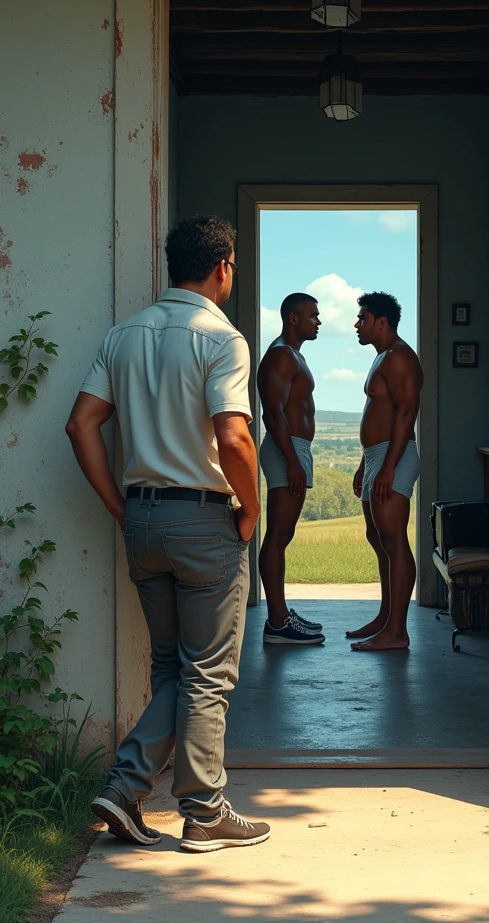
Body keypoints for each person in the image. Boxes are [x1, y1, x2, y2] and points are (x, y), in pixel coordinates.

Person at [65, 214, 271, 854]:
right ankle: (199, 810)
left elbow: (81, 425)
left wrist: (119, 506)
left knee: (171, 666)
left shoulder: (123, 335)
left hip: (144, 519)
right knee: (207, 672)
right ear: (224, 267)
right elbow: (234, 436)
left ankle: (129, 792)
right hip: (203, 519)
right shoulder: (222, 338)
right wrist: (251, 507)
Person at [346, 292, 423, 651]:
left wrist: (389, 466)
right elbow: (384, 414)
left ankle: (397, 632)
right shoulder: (382, 357)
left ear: (382, 322)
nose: (357, 325)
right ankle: (385, 618)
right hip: (378, 457)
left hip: (396, 458)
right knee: (378, 541)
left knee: (394, 541)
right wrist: (367, 463)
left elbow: (407, 413)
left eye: (362, 318)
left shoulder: (400, 357)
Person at [257, 293, 325, 645]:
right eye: (313, 315)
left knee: (283, 536)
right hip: (288, 451)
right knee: (278, 535)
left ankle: (280, 614)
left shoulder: (292, 354)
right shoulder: (282, 355)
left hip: (295, 450)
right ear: (293, 318)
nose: (319, 321)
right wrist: (293, 460)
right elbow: (273, 413)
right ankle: (277, 623)